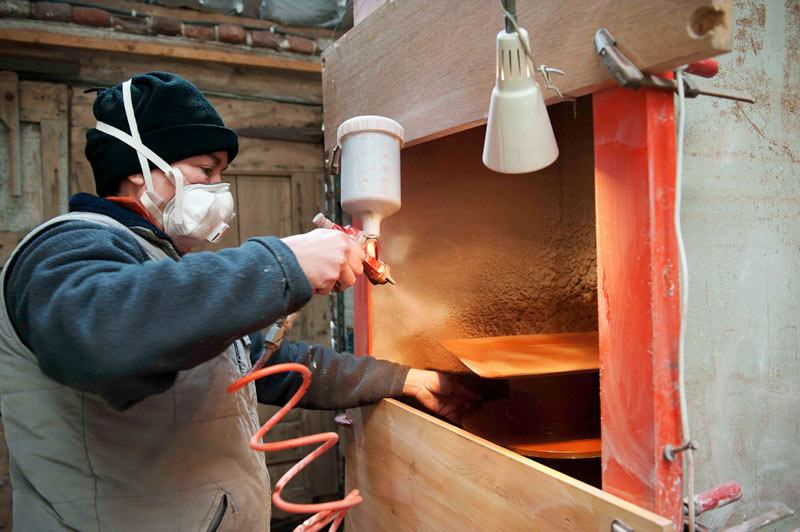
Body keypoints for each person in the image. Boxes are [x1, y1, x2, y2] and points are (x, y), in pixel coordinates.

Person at [0, 72, 477, 531]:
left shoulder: (159, 266)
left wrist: (403, 379)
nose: (218, 191)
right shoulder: (62, 248)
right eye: (205, 170)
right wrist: (283, 263)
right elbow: (98, 337)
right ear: (139, 170)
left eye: (221, 174)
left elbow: (267, 363)